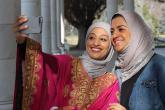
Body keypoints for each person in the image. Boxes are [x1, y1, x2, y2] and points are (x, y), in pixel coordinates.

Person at [13, 16, 120, 110]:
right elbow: (39, 62)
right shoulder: (67, 64)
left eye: (103, 39)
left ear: (110, 46)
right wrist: (23, 43)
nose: (96, 43)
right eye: (91, 37)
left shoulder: (111, 83)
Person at [109, 10, 165, 110]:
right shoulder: (119, 69)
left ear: (136, 31)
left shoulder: (160, 65)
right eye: (112, 32)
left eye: (121, 29)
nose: (114, 35)